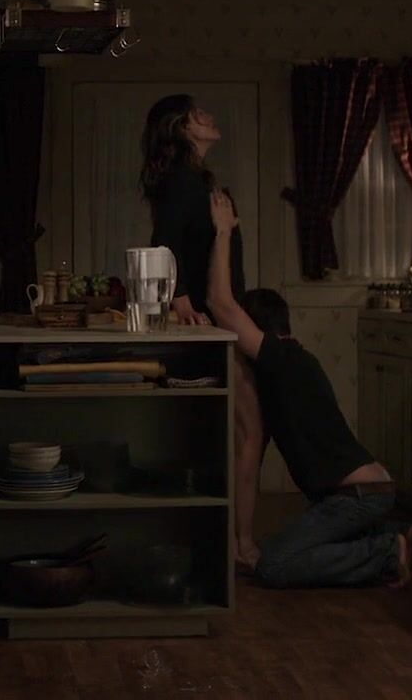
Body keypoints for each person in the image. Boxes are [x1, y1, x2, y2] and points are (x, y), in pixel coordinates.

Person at [204, 191, 412, 589]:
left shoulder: (284, 360)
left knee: (274, 565)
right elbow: (248, 464)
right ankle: (382, 533)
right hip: (358, 493)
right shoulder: (285, 372)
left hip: (358, 495)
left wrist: (223, 232)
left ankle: (386, 549)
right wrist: (242, 541)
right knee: (273, 553)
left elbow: (220, 303)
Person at [139, 94, 265, 570]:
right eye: (197, 114)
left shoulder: (194, 179)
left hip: (223, 318)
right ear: (181, 128)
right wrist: (180, 299)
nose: (209, 116)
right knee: (247, 431)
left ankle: (231, 541)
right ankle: (240, 545)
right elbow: (162, 246)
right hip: (214, 324)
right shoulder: (183, 181)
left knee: (239, 432)